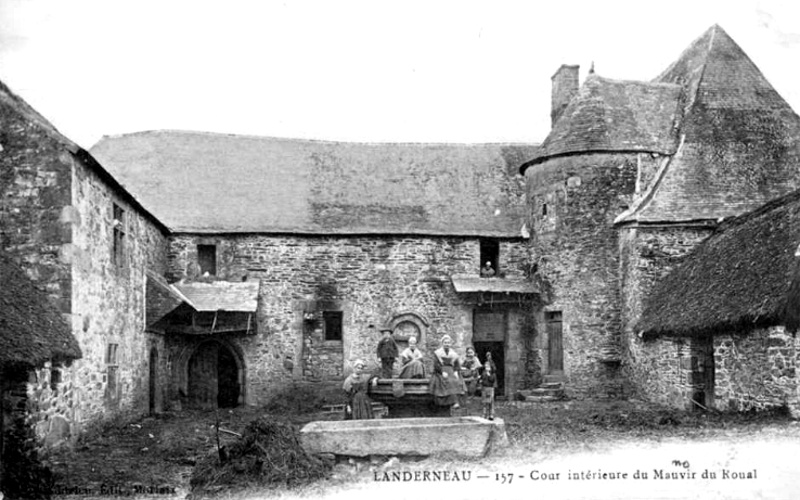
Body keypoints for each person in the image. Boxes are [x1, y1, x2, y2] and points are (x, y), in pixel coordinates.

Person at [428, 335, 465, 408]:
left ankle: (455, 402)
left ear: (450, 344)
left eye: (448, 343)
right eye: (445, 342)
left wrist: (456, 371)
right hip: (441, 371)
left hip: (451, 370)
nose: (447, 344)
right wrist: (441, 372)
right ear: (442, 343)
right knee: (446, 381)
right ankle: (446, 402)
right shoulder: (438, 353)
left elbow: (457, 365)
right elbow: (436, 365)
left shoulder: (453, 353)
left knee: (456, 381)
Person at [480, 352, 497, 420]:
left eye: (488, 367)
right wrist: (480, 380)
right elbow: (482, 378)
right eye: (486, 366)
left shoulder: (492, 374)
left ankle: (491, 414)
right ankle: (484, 414)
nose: (487, 368)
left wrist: (489, 374)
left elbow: (492, 380)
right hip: (484, 388)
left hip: (490, 388)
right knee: (484, 402)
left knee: (490, 402)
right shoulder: (483, 373)